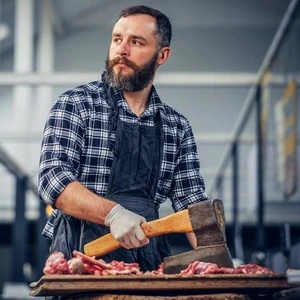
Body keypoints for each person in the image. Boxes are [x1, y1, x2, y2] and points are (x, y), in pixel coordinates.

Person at [38, 5, 208, 272]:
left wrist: (217, 259)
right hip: (78, 261)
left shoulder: (177, 127)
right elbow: (53, 180)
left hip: (146, 263)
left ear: (162, 55)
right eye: (117, 39)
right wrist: (113, 214)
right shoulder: (76, 105)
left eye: (136, 42)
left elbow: (192, 203)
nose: (122, 50)